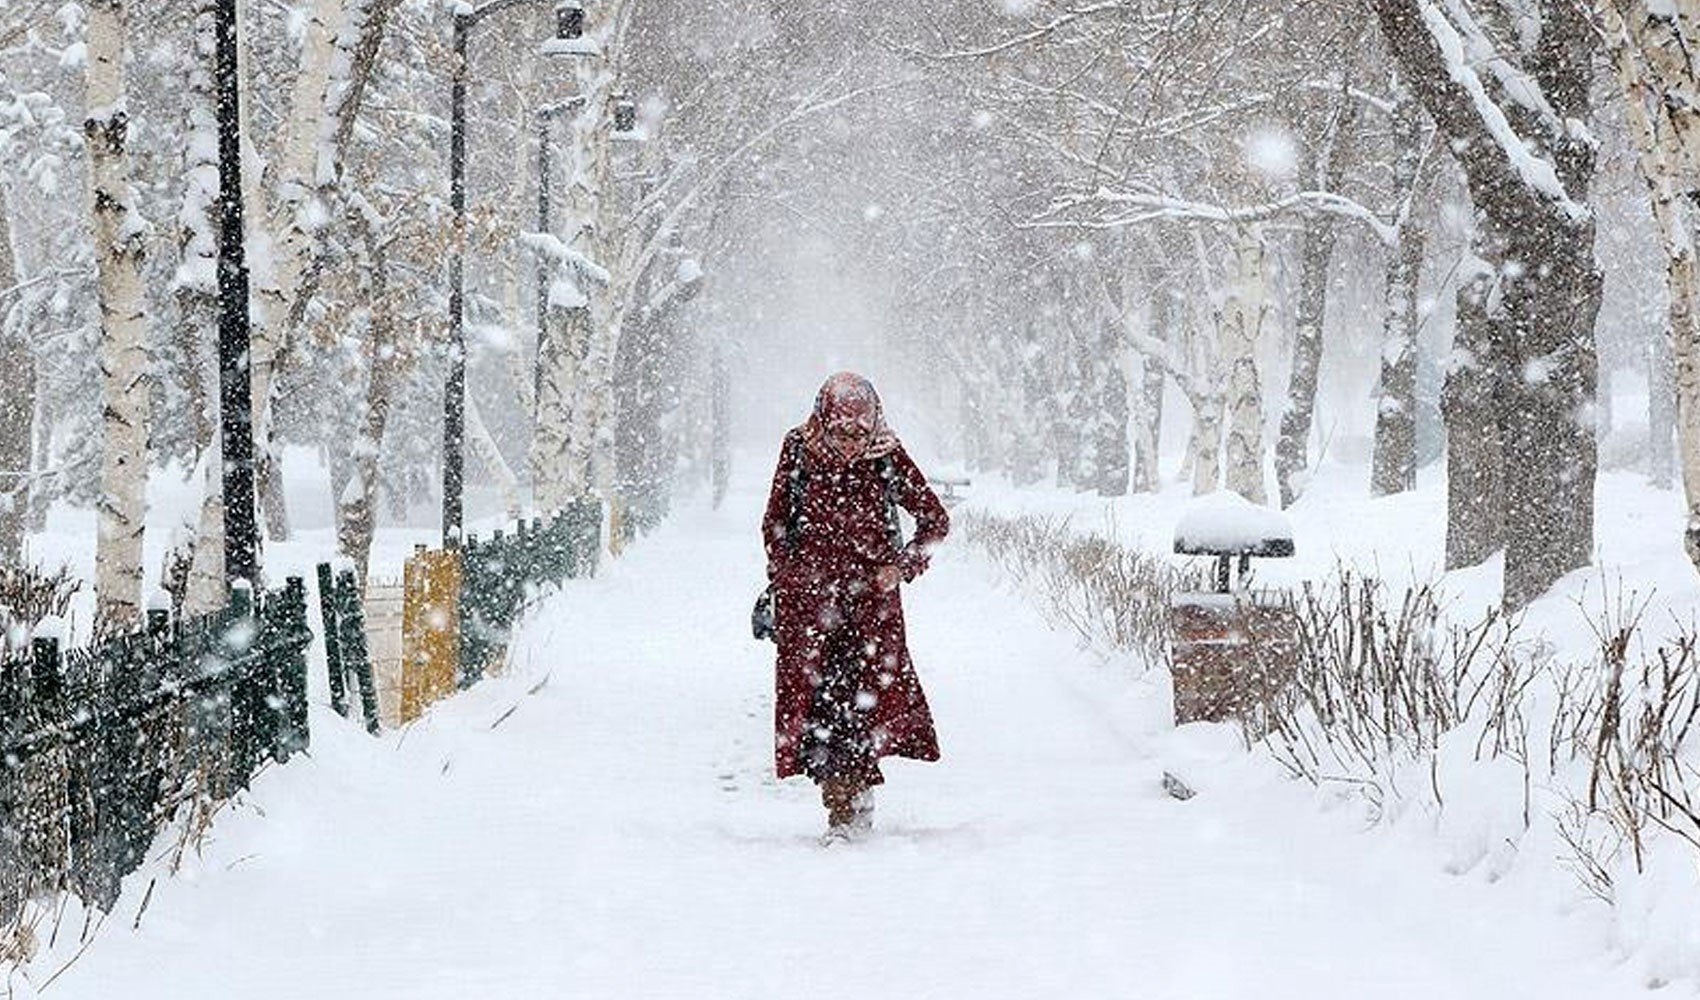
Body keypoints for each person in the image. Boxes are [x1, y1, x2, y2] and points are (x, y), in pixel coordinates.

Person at [761, 371, 950, 843]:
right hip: (811, 609)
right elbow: (775, 521)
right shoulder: (799, 449)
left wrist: (901, 567)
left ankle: (852, 805)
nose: (849, 443)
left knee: (862, 707)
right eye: (841, 432)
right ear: (824, 421)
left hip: (872, 612)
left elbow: (934, 521)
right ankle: (840, 804)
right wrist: (788, 576)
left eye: (859, 433)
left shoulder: (886, 455)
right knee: (820, 710)